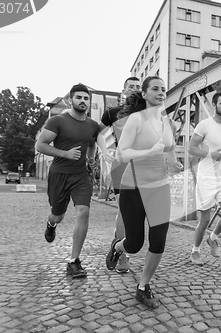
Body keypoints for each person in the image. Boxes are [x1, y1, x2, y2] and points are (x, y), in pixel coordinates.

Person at [105, 76, 182, 308]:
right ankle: (118, 247)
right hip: (134, 186)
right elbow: (122, 155)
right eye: (155, 89)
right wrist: (148, 152)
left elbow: (168, 150)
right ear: (145, 94)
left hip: (159, 187)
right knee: (135, 244)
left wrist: (174, 162)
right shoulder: (135, 120)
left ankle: (143, 286)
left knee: (158, 241)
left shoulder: (168, 123)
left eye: (163, 89)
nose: (160, 92)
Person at [36, 83, 100, 278]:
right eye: (79, 97)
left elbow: (91, 144)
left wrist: (90, 160)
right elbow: (41, 145)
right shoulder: (58, 121)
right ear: (70, 100)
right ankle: (51, 224)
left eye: (86, 98)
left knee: (84, 212)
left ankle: (74, 261)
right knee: (58, 215)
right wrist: (65, 153)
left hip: (81, 175)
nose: (83, 101)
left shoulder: (92, 125)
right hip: (59, 174)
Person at [97, 77, 141, 273]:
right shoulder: (113, 113)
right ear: (123, 90)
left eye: (138, 87)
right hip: (121, 166)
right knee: (124, 211)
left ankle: (123, 244)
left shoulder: (146, 113)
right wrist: (105, 152)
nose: (134, 89)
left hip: (142, 167)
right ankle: (122, 254)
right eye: (131, 86)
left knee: (139, 214)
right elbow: (97, 133)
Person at [188, 90, 221, 265]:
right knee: (205, 220)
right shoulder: (204, 125)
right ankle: (195, 251)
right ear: (215, 105)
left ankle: (213, 237)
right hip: (206, 177)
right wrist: (210, 154)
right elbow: (191, 149)